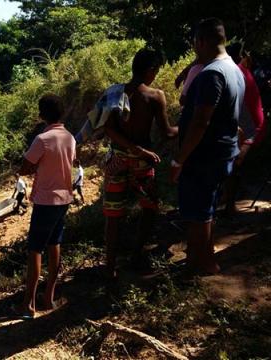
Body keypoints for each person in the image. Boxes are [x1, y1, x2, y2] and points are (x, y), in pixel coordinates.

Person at [171, 18, 245, 275]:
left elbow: (201, 121)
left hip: (205, 156)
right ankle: (205, 257)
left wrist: (179, 159)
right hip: (222, 152)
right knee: (207, 208)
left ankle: (197, 265)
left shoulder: (212, 73)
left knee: (197, 213)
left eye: (195, 44)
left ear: (201, 41)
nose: (195, 50)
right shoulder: (234, 69)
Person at [102, 48, 178, 279]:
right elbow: (167, 132)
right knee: (150, 206)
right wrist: (187, 125)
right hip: (142, 163)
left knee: (113, 214)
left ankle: (110, 266)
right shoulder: (155, 96)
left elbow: (108, 129)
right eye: (156, 70)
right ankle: (136, 255)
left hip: (116, 158)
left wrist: (129, 148)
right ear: (151, 70)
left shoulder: (114, 92)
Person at [13, 94, 75, 319]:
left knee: (35, 250)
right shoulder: (70, 137)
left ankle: (28, 305)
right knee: (54, 244)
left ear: (42, 114)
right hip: (64, 200)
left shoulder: (42, 139)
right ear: (63, 113)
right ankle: (48, 297)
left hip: (46, 201)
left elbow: (26, 167)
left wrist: (29, 168)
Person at [223, 43, 267, 215]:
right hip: (250, 123)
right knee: (232, 163)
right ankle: (228, 200)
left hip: (251, 127)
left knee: (234, 163)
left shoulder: (236, 72)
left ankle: (230, 206)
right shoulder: (239, 69)